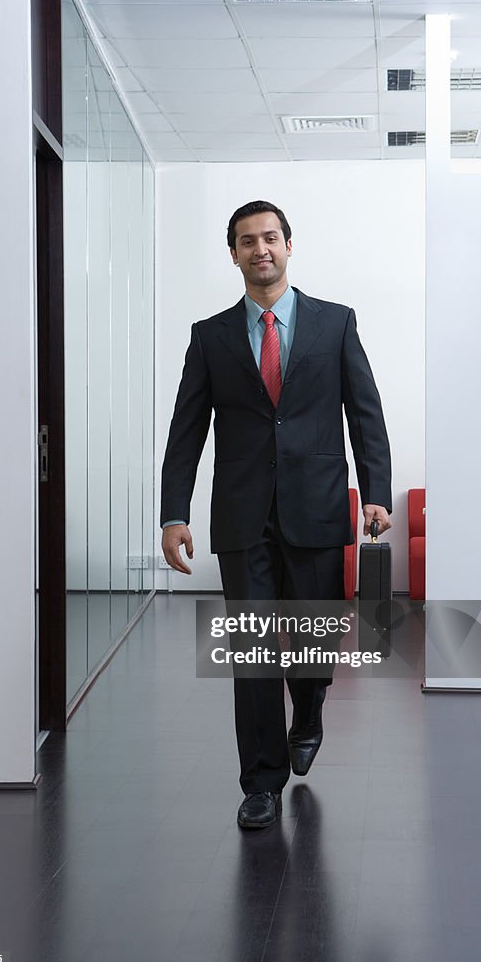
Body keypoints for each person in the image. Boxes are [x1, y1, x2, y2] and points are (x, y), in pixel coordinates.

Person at [160, 199, 391, 829]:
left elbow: (364, 414)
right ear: (232, 253)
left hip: (316, 509)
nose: (259, 249)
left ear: (288, 245)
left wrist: (376, 491)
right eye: (246, 241)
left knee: (312, 647)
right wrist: (172, 513)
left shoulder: (334, 323)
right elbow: (187, 431)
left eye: (269, 238)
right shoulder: (209, 337)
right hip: (242, 517)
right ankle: (260, 781)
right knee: (254, 649)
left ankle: (310, 711)